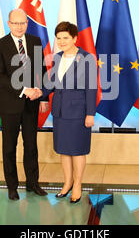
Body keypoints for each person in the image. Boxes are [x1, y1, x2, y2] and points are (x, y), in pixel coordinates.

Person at [32, 21, 97, 203]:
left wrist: (90, 113)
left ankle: (77, 184)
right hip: (60, 112)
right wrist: (40, 94)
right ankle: (67, 183)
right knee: (64, 150)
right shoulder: (58, 57)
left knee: (77, 150)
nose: (61, 41)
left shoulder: (87, 58)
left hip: (78, 112)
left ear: (75, 38)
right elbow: (52, 82)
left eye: (65, 38)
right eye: (58, 38)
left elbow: (91, 88)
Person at [0, 8, 49, 200]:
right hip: (9, 105)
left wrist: (43, 97)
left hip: (32, 104)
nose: (19, 26)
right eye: (15, 23)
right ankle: (12, 186)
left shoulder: (35, 41)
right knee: (9, 146)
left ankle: (33, 184)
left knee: (31, 145)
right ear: (9, 24)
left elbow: (41, 70)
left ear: (27, 23)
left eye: (23, 23)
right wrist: (24, 90)